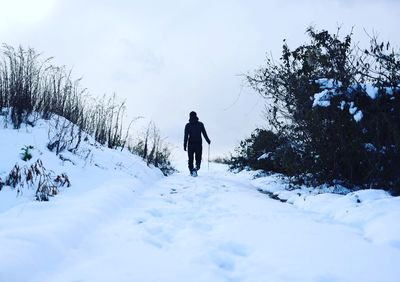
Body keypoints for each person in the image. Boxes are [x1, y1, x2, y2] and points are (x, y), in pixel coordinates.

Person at [184, 111, 211, 176]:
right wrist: (208, 141)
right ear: (196, 116)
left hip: (190, 144)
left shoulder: (188, 125)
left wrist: (184, 145)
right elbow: (204, 133)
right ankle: (196, 168)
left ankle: (191, 171)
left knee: (190, 159)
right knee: (198, 158)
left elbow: (186, 136)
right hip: (198, 144)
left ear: (189, 116)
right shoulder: (200, 124)